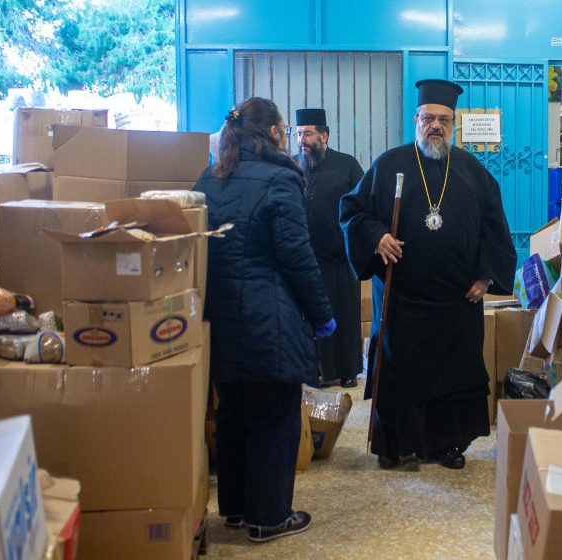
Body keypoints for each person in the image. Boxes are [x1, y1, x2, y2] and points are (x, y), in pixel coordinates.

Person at [340, 79, 516, 470]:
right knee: (401, 375)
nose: (435, 125)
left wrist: (486, 276)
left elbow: (495, 230)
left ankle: (446, 445)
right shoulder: (389, 166)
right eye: (428, 118)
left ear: (453, 123)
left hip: (456, 302)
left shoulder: (474, 172)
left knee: (454, 376)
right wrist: (378, 237)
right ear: (416, 120)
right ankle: (395, 444)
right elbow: (353, 212)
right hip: (403, 300)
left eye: (444, 119)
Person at [193, 97, 335, 544]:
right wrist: (322, 314)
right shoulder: (279, 179)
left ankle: (234, 510)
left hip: (220, 321)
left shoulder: (208, 180)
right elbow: (296, 256)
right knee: (274, 417)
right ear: (273, 132)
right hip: (269, 319)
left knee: (232, 413)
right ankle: (270, 517)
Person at [293, 108, 365, 389]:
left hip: (339, 257)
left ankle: (347, 371)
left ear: (324, 135)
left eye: (308, 133)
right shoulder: (291, 166)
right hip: (306, 257)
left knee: (344, 314)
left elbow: (362, 204)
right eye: (299, 134)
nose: (302, 140)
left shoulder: (347, 165)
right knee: (310, 315)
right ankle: (316, 371)